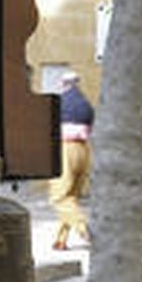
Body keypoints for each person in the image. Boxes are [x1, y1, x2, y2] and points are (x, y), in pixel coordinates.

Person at [51, 71, 94, 250]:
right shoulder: (86, 104)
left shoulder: (59, 103)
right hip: (83, 150)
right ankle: (61, 240)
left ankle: (84, 228)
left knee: (59, 198)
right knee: (72, 197)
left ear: (63, 84)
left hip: (65, 149)